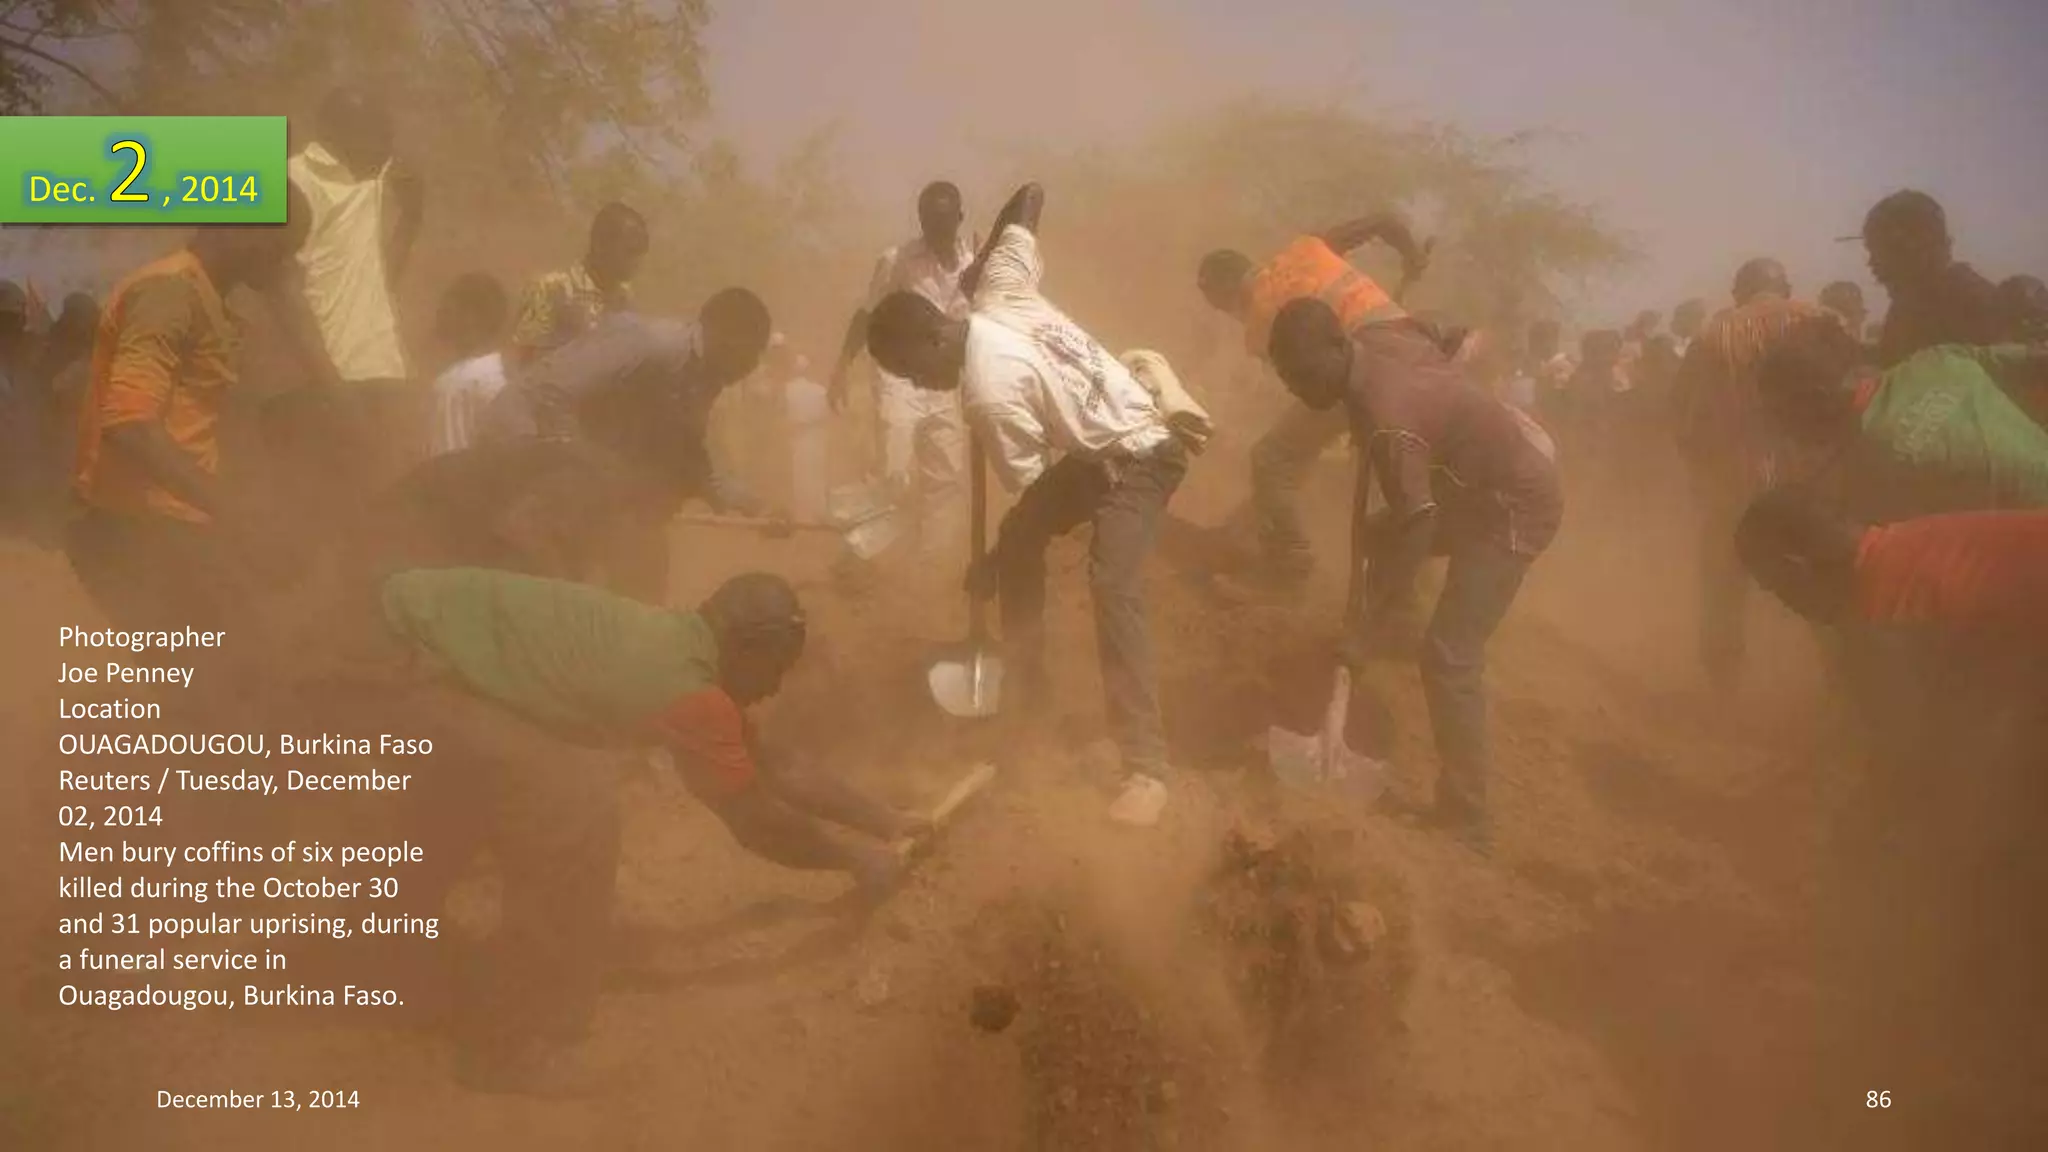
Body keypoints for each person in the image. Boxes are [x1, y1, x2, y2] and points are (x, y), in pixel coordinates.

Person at [348, 567, 924, 1093]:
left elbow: (774, 762)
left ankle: (393, 958)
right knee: (574, 815)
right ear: (747, 648)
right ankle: (509, 1046)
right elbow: (754, 821)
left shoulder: (678, 644)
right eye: (776, 669)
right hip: (409, 664)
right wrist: (855, 859)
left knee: (494, 789)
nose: (774, 689)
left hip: (401, 638)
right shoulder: (689, 692)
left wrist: (883, 820)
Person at [866, 182, 1191, 827]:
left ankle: (1146, 768)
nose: (919, 386)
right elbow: (1032, 197)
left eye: (910, 372)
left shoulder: (987, 396)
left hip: (1145, 455)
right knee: (1017, 540)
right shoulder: (998, 289)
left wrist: (996, 551)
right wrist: (987, 259)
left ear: (930, 342)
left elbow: (1040, 487)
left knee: (1110, 581)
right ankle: (1030, 698)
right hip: (1105, 446)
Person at [1267, 296, 1563, 853]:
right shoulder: (1375, 341)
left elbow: (1420, 524)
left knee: (1450, 655)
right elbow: (1431, 331)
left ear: (1336, 348)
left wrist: (1363, 629)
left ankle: (1468, 818)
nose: (1299, 391)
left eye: (1306, 375)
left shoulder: (1387, 422)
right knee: (1378, 536)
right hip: (1475, 483)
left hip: (1514, 504)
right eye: (1287, 380)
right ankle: (1397, 635)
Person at [68, 190, 312, 631]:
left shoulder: (204, 299)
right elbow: (131, 428)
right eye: (282, 248)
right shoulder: (169, 293)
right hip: (138, 530)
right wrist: (240, 520)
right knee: (215, 683)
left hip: (176, 525)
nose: (286, 267)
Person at [480, 291, 776, 600]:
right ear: (726, 337)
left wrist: (756, 507)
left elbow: (691, 457)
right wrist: (592, 466)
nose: (752, 366)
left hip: (584, 470)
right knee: (549, 578)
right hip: (522, 439)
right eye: (752, 353)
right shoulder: (648, 342)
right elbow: (550, 393)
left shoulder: (705, 377)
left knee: (642, 563)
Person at [1196, 210, 1430, 590]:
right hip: (1420, 350)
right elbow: (1384, 219)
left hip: (1364, 368)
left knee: (1271, 458)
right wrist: (1411, 255)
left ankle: (1287, 565)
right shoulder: (1307, 248)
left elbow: (1313, 394)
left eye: (1220, 305)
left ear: (1224, 295)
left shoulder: (1259, 324)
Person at [1671, 256, 1834, 692]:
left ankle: (1723, 689)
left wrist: (1702, 468)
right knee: (1832, 578)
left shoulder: (1712, 334)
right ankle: (1840, 692)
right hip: (1813, 482)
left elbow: (1682, 415)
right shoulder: (1823, 321)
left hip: (1735, 482)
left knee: (1723, 585)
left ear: (1737, 294)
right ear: (1787, 287)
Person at [276, 86, 426, 484]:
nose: (389, 147)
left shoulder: (370, 181)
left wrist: (411, 219)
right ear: (337, 130)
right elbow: (280, 292)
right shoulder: (293, 179)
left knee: (376, 514)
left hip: (378, 375)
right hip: (320, 381)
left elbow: (380, 283)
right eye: (378, 134)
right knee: (320, 510)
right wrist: (331, 386)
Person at [1756, 317, 2048, 521]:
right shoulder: (1941, 357)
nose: (1783, 429)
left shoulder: (1861, 476)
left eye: (1780, 413)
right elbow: (2037, 360)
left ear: (1814, 397)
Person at [828, 182, 973, 561]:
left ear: (959, 219)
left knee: (947, 478)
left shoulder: (975, 265)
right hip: (899, 377)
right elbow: (868, 313)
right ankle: (856, 548)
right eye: (928, 221)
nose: (936, 229)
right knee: (895, 474)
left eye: (943, 221)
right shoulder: (896, 260)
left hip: (945, 382)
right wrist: (842, 365)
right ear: (920, 220)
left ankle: (932, 563)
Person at [1736, 489, 2048, 651]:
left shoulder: (1888, 614)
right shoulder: (1905, 538)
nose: (1789, 606)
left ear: (1797, 566)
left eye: (1777, 588)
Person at [1856, 190, 2007, 368]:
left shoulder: (1971, 305)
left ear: (1915, 249)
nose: (1871, 263)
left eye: (1880, 251)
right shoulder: (1912, 302)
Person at [508, 201, 648, 367]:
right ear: (600, 245)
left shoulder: (624, 297)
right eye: (630, 251)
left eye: (641, 251)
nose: (637, 261)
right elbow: (522, 358)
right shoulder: (551, 288)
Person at [426, 272, 511, 458]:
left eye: (447, 311)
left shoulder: (486, 381)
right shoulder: (491, 376)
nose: (439, 319)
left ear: (471, 317)